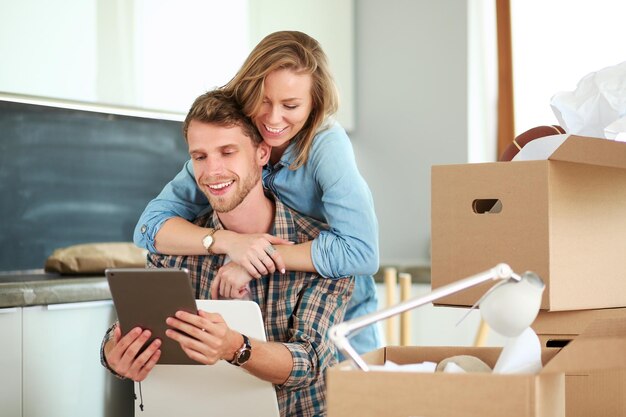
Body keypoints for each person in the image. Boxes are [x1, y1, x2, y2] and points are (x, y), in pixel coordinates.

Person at [101, 90, 353, 417]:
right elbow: (134, 328)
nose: (212, 171)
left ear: (262, 153)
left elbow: (310, 363)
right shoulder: (174, 245)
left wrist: (235, 347)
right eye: (200, 156)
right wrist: (115, 355)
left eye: (227, 152)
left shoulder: (321, 250)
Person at [133, 30, 380, 355]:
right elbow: (148, 228)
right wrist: (229, 242)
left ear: (314, 104)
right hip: (266, 299)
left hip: (336, 298)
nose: (273, 118)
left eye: (290, 105)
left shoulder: (326, 147)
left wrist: (252, 261)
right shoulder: (228, 144)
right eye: (264, 101)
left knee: (347, 397)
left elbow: (361, 251)